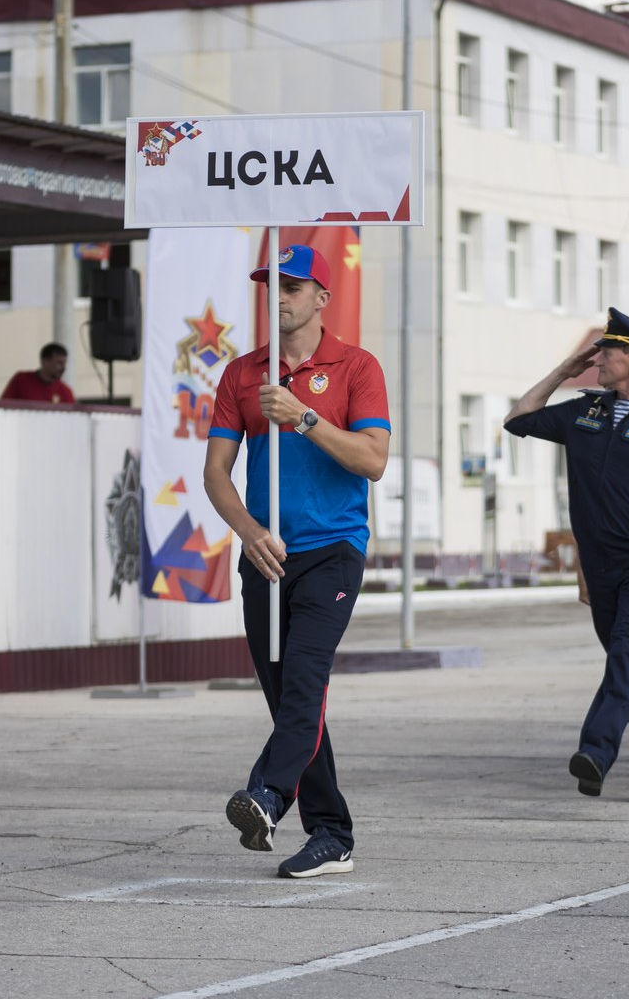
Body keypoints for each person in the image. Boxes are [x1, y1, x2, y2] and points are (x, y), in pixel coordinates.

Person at [203, 242, 389, 879]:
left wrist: (304, 417)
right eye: (270, 286)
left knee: (305, 684)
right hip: (267, 556)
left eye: (291, 285)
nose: (278, 297)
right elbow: (217, 475)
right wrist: (249, 530)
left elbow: (373, 460)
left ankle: (266, 795)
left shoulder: (356, 367)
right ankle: (333, 833)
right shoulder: (242, 375)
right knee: (289, 701)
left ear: (321, 298)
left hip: (332, 552)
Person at [509, 308, 629, 801]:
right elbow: (518, 419)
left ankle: (596, 751)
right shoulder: (585, 412)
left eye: (607, 351)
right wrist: (563, 372)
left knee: (624, 653)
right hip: (599, 564)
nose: (598, 358)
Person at [1, 343, 78, 404]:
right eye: (59, 363)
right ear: (44, 361)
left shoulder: (65, 392)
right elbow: (3, 407)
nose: (63, 368)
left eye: (64, 363)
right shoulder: (21, 381)